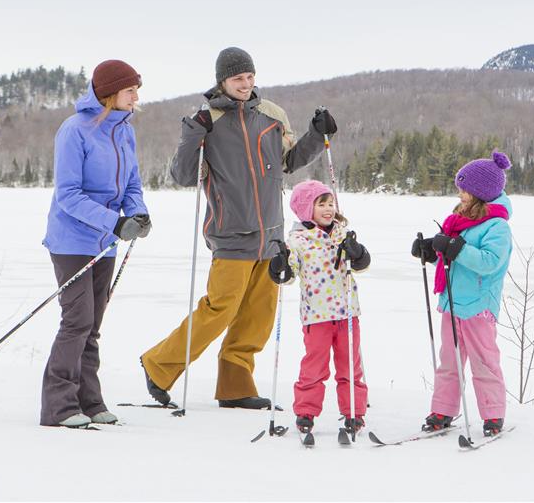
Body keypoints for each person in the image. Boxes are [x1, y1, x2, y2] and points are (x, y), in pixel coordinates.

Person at [140, 47, 335, 410]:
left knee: (257, 317)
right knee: (220, 310)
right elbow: (182, 175)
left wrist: (315, 135)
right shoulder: (207, 119)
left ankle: (235, 384)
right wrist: (190, 136)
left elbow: (289, 162)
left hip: (271, 235)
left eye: (249, 77)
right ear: (222, 81)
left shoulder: (271, 115)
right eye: (237, 79)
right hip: (231, 233)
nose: (246, 84)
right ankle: (158, 365)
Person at [40, 60, 152, 428]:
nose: (136, 96)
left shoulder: (124, 131)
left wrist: (136, 214)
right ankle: (58, 406)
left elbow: (131, 184)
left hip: (107, 241)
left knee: (93, 324)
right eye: (130, 89)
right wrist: (115, 222)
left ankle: (89, 401)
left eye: (137, 89)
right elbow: (68, 195)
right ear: (109, 94)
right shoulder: (75, 131)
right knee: (77, 321)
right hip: (72, 240)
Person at [411, 151, 513, 437]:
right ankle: (442, 409)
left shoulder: (497, 226)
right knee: (449, 361)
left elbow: (490, 262)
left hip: (479, 305)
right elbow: (450, 254)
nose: (460, 194)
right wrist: (432, 250)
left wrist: (456, 248)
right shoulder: (458, 219)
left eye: (464, 189)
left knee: (484, 362)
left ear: (481, 193)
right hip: (452, 302)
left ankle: (493, 414)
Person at [269, 179, 371, 435]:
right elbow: (290, 275)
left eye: (330, 203)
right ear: (306, 210)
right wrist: (280, 266)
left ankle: (354, 413)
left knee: (350, 365)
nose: (328, 209)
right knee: (315, 366)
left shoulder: (342, 234)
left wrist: (357, 252)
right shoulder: (298, 240)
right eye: (321, 204)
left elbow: (362, 264)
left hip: (347, 313)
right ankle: (306, 411)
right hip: (317, 315)